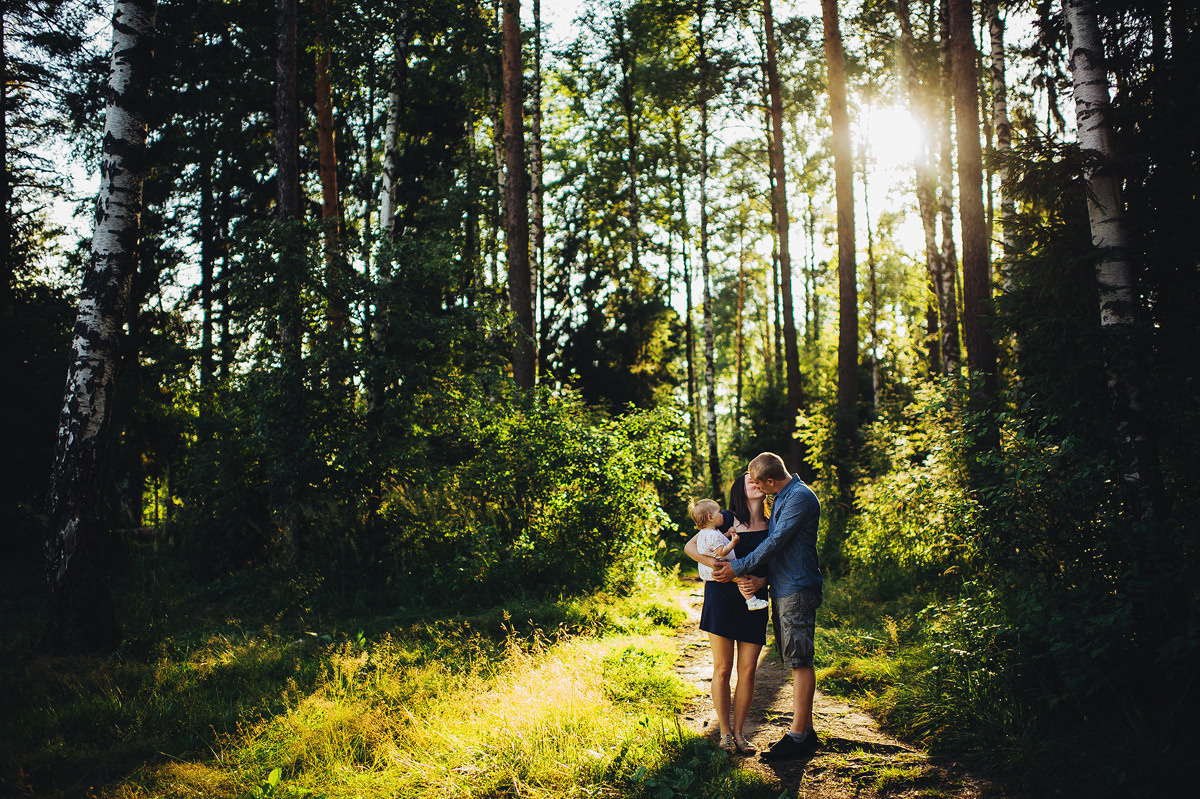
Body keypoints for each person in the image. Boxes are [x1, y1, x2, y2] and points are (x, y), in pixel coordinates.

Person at [712, 451, 823, 761]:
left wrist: (737, 568)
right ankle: (806, 732)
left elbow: (775, 543)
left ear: (770, 480)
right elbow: (779, 550)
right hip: (785, 589)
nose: (757, 486)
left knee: (799, 660)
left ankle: (799, 736)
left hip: (797, 589)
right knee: (795, 657)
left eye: (759, 481)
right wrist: (762, 582)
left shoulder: (798, 497)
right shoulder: (784, 498)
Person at [685, 473, 771, 755]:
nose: (756, 483)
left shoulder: (774, 523)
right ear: (740, 489)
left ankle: (739, 733)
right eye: (750, 481)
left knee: (747, 672)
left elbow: (780, 564)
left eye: (760, 480)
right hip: (721, 597)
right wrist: (717, 566)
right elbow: (690, 547)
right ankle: (724, 734)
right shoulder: (724, 518)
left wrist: (761, 582)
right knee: (723, 669)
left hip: (754, 599)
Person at [691, 500, 768, 612]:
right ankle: (752, 601)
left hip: (708, 569)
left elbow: (719, 539)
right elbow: (721, 551)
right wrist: (733, 542)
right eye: (718, 513)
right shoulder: (713, 535)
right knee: (743, 580)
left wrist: (727, 533)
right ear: (710, 518)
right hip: (720, 567)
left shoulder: (706, 533)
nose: (722, 515)